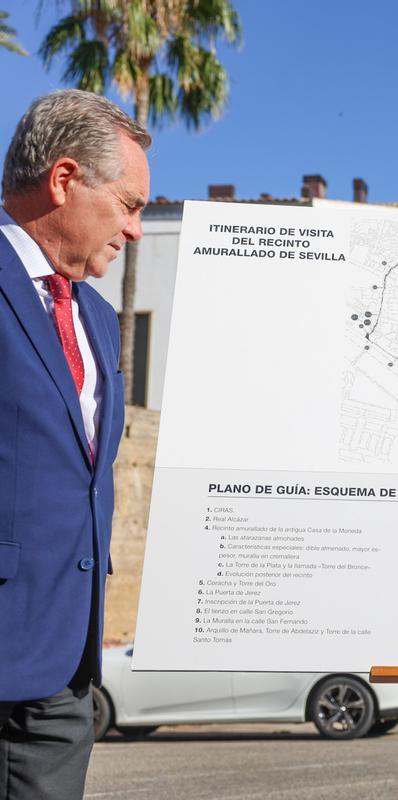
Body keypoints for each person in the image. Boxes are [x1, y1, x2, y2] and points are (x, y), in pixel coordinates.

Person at [0, 90, 150, 799]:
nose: (137, 229)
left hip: (64, 670)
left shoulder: (90, 314)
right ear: (64, 180)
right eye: (129, 204)